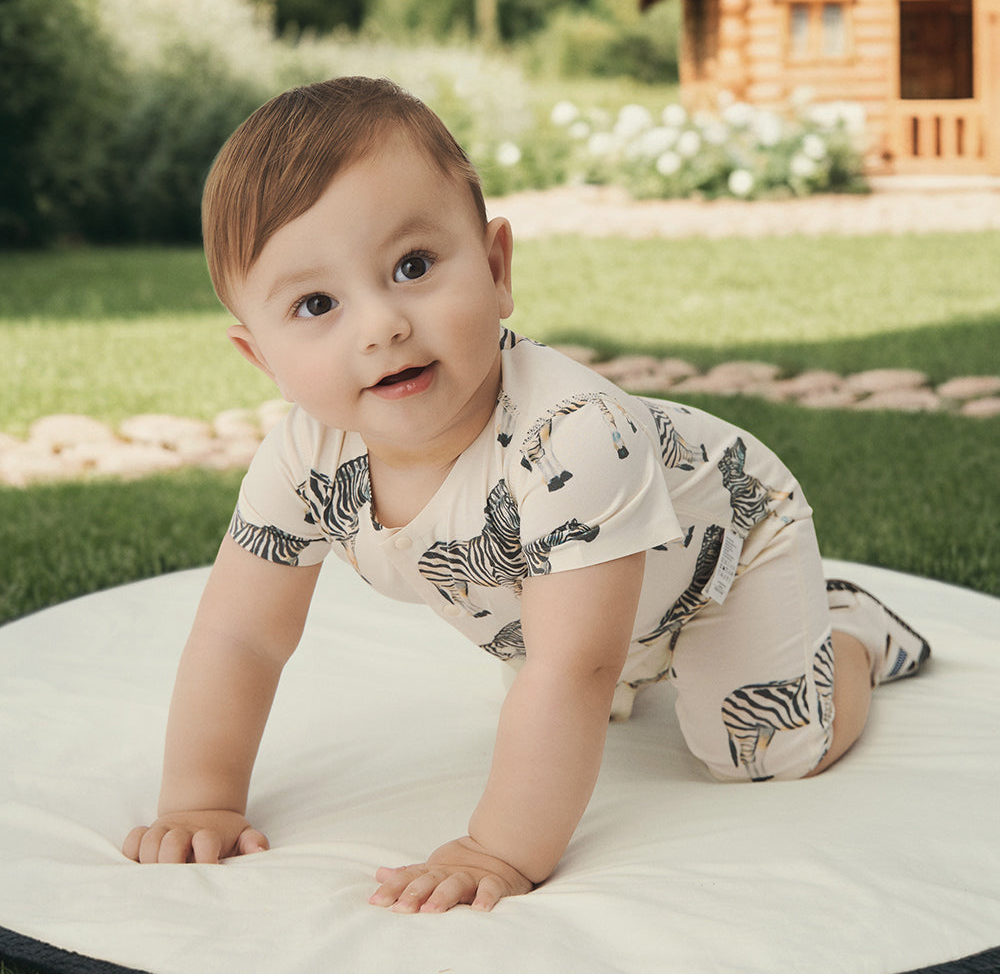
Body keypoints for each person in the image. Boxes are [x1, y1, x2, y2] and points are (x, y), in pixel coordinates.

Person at [122, 76, 930, 914]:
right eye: (316, 303)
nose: (381, 324)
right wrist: (201, 798)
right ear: (262, 359)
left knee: (758, 750)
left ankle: (850, 632)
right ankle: (647, 658)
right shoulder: (306, 455)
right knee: (578, 666)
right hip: (589, 595)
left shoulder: (572, 436)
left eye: (413, 266)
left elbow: (571, 668)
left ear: (497, 267)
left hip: (729, 543)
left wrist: (500, 850)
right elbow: (241, 634)